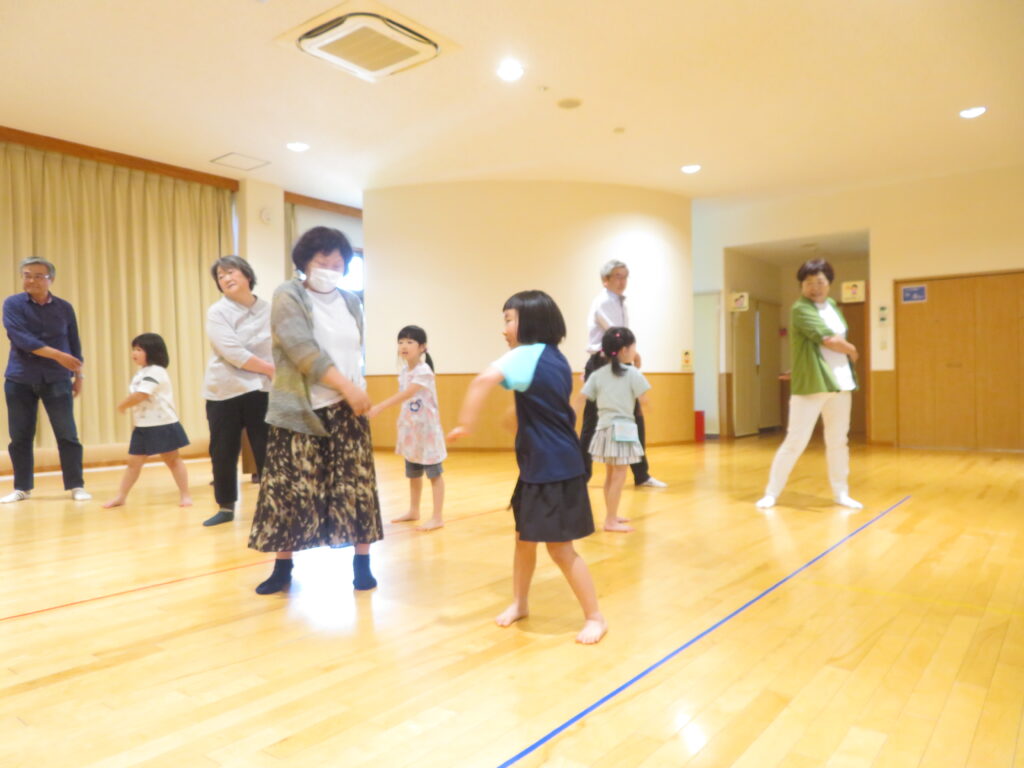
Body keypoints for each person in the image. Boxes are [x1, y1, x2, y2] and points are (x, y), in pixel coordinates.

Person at [449, 290, 607, 644]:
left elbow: (482, 381)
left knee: (560, 549)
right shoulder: (555, 358)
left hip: (553, 467)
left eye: (509, 319)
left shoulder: (525, 354)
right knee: (524, 539)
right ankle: (520, 603)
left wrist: (465, 424)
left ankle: (595, 617)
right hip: (544, 464)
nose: (504, 328)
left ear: (531, 322)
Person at [248, 226, 383, 595]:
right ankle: (282, 569)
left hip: (348, 410)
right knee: (289, 490)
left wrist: (355, 389)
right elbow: (301, 348)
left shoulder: (351, 302)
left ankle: (362, 565)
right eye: (323, 262)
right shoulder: (288, 294)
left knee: (357, 487)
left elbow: (354, 352)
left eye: (338, 264)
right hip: (301, 409)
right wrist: (347, 387)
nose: (331, 269)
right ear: (305, 262)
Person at [756, 259, 862, 511]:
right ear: (801, 285)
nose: (815, 288)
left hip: (841, 383)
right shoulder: (800, 309)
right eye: (809, 283)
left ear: (829, 283)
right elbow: (828, 339)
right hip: (812, 385)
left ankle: (841, 493)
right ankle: (771, 493)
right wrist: (852, 349)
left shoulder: (832, 305)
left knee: (838, 441)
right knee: (795, 441)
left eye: (820, 282)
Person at [1, 257, 90, 503]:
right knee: (20, 436)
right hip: (20, 378)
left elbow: (74, 344)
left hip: (57, 379)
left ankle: (76, 486)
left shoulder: (64, 308)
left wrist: (79, 375)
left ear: (51, 279)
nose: (32, 280)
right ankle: (22, 488)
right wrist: (58, 356)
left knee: (67, 434)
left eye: (39, 276)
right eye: (27, 275)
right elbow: (23, 339)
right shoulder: (12, 304)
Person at [580, 259, 665, 488]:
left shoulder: (619, 303)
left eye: (625, 276)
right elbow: (615, 335)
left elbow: (620, 337)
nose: (622, 281)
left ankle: (641, 474)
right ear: (605, 280)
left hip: (618, 361)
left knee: (634, 416)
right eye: (617, 276)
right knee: (592, 421)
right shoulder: (603, 301)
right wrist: (631, 354)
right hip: (603, 363)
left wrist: (631, 354)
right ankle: (581, 476)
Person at [201, 256, 273, 527]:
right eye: (220, 276)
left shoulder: (269, 309)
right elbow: (231, 351)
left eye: (230, 272)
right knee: (223, 451)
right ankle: (226, 507)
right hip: (225, 389)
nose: (226, 279)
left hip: (262, 388)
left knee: (268, 449)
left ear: (247, 276)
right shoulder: (217, 312)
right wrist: (270, 369)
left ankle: (272, 505)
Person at [367, 325, 446, 531]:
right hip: (412, 431)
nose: (404, 346)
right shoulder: (404, 371)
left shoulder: (424, 371)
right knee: (413, 472)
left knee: (434, 473)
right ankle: (414, 510)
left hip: (427, 432)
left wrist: (380, 407)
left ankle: (437, 517)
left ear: (422, 347)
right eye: (401, 342)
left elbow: (408, 394)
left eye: (410, 342)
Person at [102, 334, 191, 508]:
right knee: (133, 464)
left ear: (152, 351)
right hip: (143, 426)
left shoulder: (156, 371)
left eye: (139, 349)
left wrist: (122, 405)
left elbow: (142, 394)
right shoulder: (141, 372)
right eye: (133, 349)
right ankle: (121, 497)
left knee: (173, 460)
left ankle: (185, 495)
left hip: (163, 424)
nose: (134, 353)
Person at [578, 327, 651, 533]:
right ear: (625, 350)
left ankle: (612, 514)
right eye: (634, 347)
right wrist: (638, 367)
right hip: (623, 431)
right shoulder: (632, 374)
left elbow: (581, 398)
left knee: (610, 475)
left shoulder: (599, 374)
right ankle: (610, 520)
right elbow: (644, 399)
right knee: (619, 476)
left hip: (603, 430)